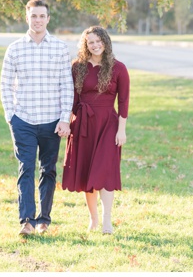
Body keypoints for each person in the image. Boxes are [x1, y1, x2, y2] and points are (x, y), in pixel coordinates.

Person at [0, 0, 74, 235]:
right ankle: (27, 222)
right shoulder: (15, 48)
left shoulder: (60, 48)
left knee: (48, 170)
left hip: (52, 120)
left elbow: (67, 85)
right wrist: (11, 115)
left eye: (42, 16)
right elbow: (5, 84)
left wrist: (65, 118)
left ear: (48, 19)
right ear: (27, 18)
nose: (38, 20)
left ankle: (44, 219)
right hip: (23, 120)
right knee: (26, 168)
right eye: (34, 16)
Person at [62, 26, 130, 234]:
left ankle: (107, 221)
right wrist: (68, 121)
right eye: (91, 42)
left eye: (99, 41)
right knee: (86, 171)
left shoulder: (118, 68)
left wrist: (121, 130)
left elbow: (124, 101)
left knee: (105, 171)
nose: (95, 45)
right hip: (82, 124)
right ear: (85, 44)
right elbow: (71, 98)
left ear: (106, 42)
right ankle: (93, 220)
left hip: (108, 124)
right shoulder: (77, 67)